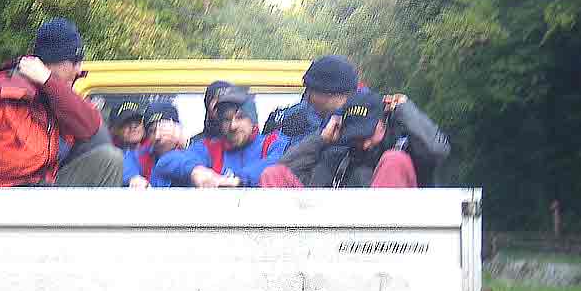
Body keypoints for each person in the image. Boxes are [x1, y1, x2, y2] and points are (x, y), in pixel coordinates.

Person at [0, 17, 122, 188]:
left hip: (44, 193)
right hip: (0, 196)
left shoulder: (59, 99)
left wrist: (48, 83)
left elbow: (91, 127)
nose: (79, 69)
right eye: (75, 61)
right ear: (52, 62)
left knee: (110, 159)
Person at [260, 91, 450, 189]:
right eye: (357, 137)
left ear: (384, 122)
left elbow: (438, 150)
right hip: (339, 242)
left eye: (368, 134)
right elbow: (283, 170)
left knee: (394, 159)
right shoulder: (340, 155)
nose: (365, 144)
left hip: (396, 243)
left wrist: (404, 108)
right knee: (273, 173)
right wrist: (321, 139)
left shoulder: (410, 148)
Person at [153, 87, 287, 188]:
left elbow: (280, 162)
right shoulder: (210, 148)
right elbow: (166, 161)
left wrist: (237, 180)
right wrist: (195, 170)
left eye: (240, 117)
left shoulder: (272, 142)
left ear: (253, 121)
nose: (233, 126)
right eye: (226, 119)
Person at [265, 55, 360, 153]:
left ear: (330, 93)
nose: (307, 98)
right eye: (307, 90)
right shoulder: (301, 114)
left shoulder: (358, 130)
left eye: (311, 90)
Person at [123, 102, 187, 188]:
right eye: (151, 131)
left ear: (176, 129)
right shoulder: (142, 155)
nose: (157, 136)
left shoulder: (193, 154)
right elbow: (126, 161)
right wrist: (133, 178)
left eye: (163, 129)